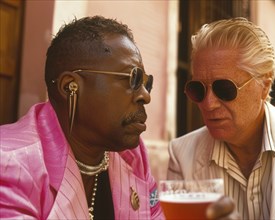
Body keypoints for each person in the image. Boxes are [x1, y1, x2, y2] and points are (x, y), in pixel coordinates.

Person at [0, 16, 164, 219]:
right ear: (70, 87)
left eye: (146, 83)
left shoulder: (133, 156)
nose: (145, 96)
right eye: (133, 78)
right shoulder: (9, 165)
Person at [167, 17, 275, 219]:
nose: (208, 104)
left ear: (264, 86)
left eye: (224, 89)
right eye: (197, 89)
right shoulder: (182, 156)